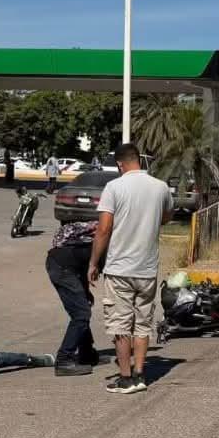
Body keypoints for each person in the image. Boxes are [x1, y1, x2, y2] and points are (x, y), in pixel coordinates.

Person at [88, 143, 172, 394]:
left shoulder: (114, 187)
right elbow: (167, 216)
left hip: (120, 269)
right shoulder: (160, 187)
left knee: (121, 325)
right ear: (139, 160)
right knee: (143, 324)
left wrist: (93, 262)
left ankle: (125, 379)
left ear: (120, 165)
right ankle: (139, 374)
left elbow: (103, 229)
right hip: (147, 269)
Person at [46, 202, 102, 376]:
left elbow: (83, 263)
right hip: (62, 267)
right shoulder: (104, 239)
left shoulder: (98, 235)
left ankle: (86, 354)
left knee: (83, 307)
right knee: (81, 314)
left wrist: (85, 290)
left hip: (67, 266)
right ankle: (64, 360)